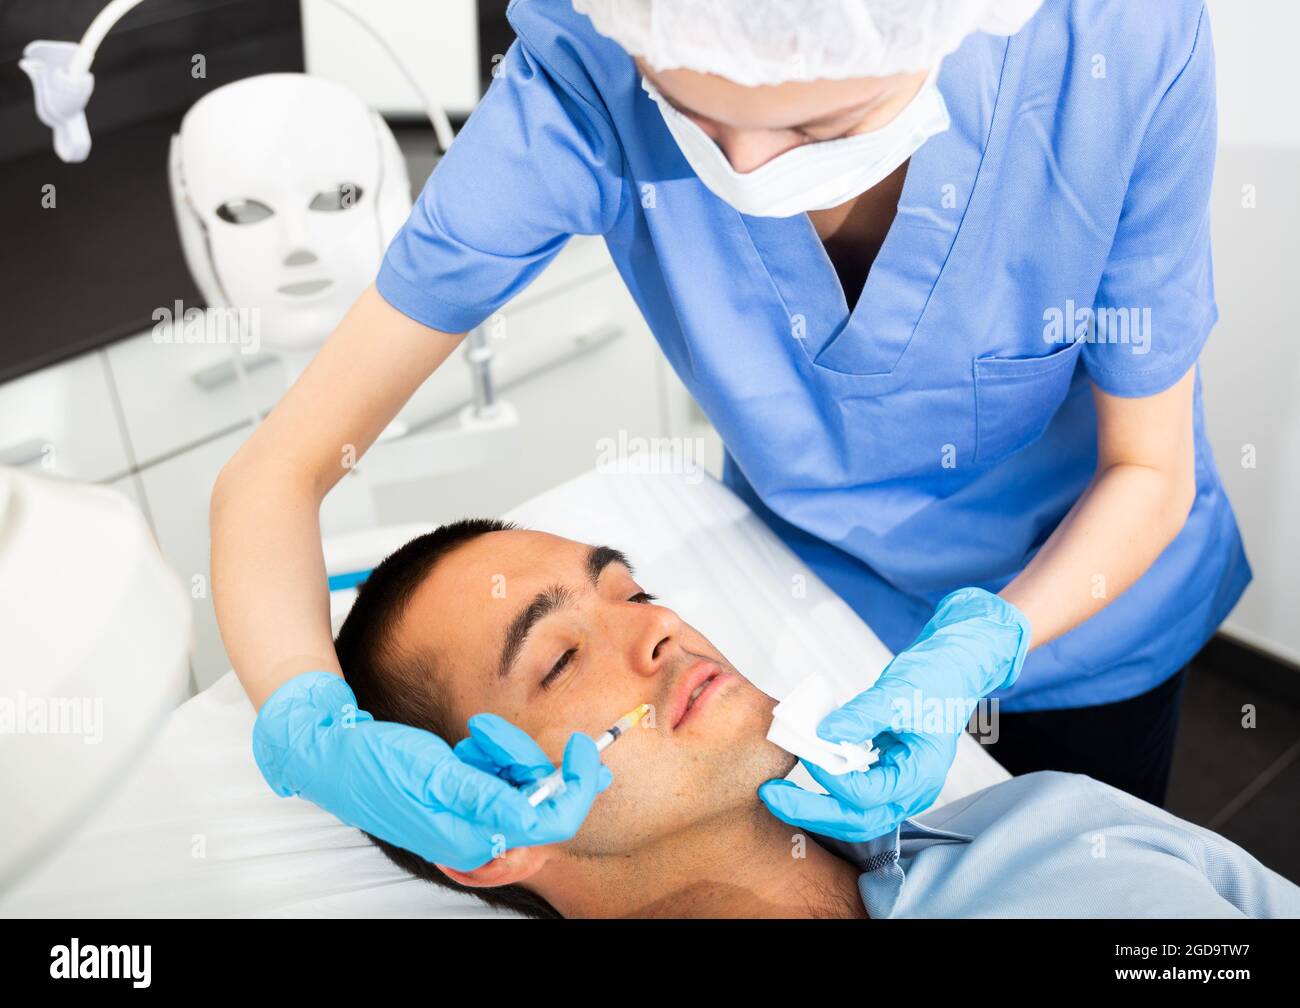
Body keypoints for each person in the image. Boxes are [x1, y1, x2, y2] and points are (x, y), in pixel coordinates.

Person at [213, 0, 1248, 871]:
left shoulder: (1114, 44)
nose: (744, 167)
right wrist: (313, 734)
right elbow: (278, 473)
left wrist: (981, 647)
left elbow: (1144, 467)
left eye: (817, 126)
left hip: (1093, 610)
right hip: (809, 609)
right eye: (692, 111)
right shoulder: (589, 65)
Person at [327, 519, 1296, 919]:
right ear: (481, 833)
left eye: (633, 591)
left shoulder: (1056, 828)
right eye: (561, 656)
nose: (660, 626)